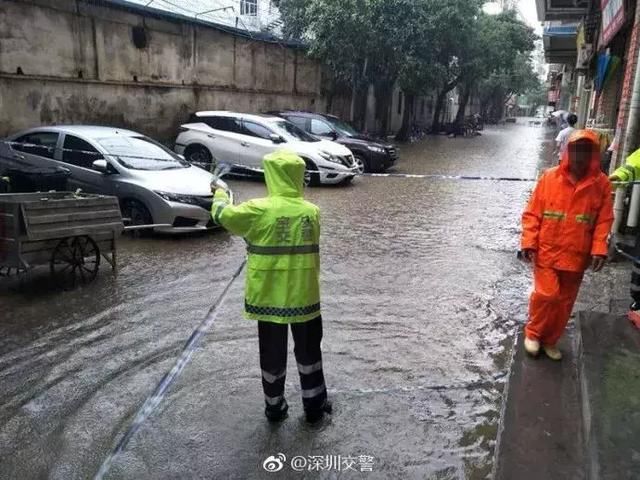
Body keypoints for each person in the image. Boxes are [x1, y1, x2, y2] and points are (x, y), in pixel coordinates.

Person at [210, 150, 331, 423]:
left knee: (272, 356)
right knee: (310, 353)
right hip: (305, 298)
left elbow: (222, 215)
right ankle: (314, 406)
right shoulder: (312, 212)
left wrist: (219, 191)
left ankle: (274, 408)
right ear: (299, 177)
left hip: (268, 299)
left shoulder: (257, 209)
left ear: (271, 176)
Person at [521, 129, 614, 360]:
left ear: (593, 154)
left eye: (585, 150)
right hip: (547, 252)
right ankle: (533, 334)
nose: (579, 155)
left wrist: (599, 249)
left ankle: (551, 340)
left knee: (564, 303)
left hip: (577, 255)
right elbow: (532, 214)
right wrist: (528, 243)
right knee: (546, 295)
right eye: (575, 149)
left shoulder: (600, 184)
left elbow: (604, 220)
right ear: (567, 152)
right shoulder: (549, 178)